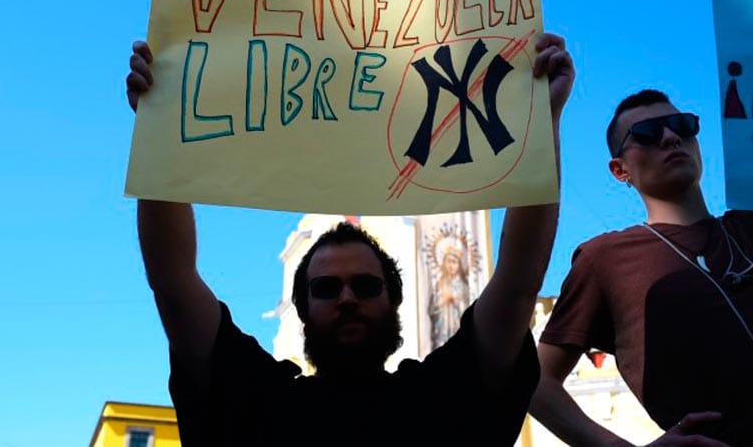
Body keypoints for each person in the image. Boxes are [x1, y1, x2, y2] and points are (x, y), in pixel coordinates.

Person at [125, 33, 574, 446]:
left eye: (365, 285)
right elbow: (173, 280)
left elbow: (518, 280)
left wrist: (542, 124)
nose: (346, 299)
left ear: (394, 298)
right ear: (301, 307)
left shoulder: (442, 397)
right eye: (325, 288)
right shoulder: (257, 400)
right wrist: (158, 130)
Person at [529, 88, 753, 447]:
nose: (670, 136)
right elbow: (535, 381)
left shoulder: (746, 227)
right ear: (620, 170)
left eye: (682, 124)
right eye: (647, 133)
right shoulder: (605, 258)